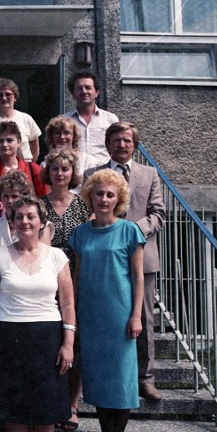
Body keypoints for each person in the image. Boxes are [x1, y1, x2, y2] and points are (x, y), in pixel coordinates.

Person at [0, 195, 76, 432]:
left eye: (30, 217)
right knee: (16, 409)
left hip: (47, 338)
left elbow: (67, 304)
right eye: (19, 216)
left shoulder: (57, 258)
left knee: (46, 410)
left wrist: (68, 343)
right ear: (12, 222)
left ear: (41, 222)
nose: (25, 221)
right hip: (10, 337)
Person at [69, 170, 145, 432]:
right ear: (91, 196)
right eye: (99, 194)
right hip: (90, 314)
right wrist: (71, 312)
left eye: (110, 195)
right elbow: (75, 276)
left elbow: (139, 278)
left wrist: (136, 314)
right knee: (98, 380)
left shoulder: (129, 231)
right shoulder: (81, 233)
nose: (103, 199)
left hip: (120, 314)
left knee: (120, 380)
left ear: (119, 199)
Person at [86, 122, 166, 402]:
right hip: (103, 256)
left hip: (140, 257)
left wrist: (130, 233)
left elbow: (158, 214)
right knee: (101, 314)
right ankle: (101, 374)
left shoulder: (149, 174)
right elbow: (88, 211)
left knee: (143, 316)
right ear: (108, 144)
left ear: (135, 145)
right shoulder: (93, 174)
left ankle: (145, 378)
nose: (122, 145)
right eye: (116, 140)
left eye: (127, 140)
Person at [42, 148, 91, 430]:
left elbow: (86, 244)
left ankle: (72, 405)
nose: (60, 173)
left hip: (78, 275)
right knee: (53, 342)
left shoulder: (83, 204)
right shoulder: (40, 203)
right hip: (49, 279)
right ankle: (54, 401)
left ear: (72, 173)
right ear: (48, 172)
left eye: (65, 169)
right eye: (55, 168)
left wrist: (78, 278)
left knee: (77, 343)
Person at [63, 70, 118, 164]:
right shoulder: (64, 120)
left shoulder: (111, 119)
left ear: (96, 92)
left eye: (88, 87)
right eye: (79, 88)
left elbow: (117, 146)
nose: (84, 91)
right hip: (75, 173)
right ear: (73, 94)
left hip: (104, 173)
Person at [0, 120, 48, 199]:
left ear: (19, 142)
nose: (5, 144)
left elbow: (44, 200)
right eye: (0, 141)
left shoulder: (35, 170)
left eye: (9, 140)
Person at [0, 171, 37, 253]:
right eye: (5, 196)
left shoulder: (35, 225)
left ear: (24, 197)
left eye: (14, 196)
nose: (9, 201)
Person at [0, 78, 41, 162]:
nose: (4, 98)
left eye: (8, 94)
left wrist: (28, 168)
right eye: (0, 95)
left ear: (15, 97)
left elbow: (35, 150)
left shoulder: (26, 118)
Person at [43, 116, 93, 184]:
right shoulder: (45, 163)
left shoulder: (89, 161)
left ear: (74, 135)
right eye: (57, 133)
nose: (62, 137)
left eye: (66, 133)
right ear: (51, 136)